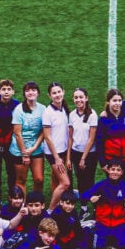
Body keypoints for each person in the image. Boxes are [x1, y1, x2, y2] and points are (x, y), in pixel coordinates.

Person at [10, 81, 46, 191]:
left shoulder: (43, 109)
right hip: (19, 150)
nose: (31, 92)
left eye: (33, 90)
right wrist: (25, 154)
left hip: (36, 148)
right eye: (27, 90)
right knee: (21, 180)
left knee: (39, 179)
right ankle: (22, 206)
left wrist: (34, 147)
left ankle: (36, 204)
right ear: (24, 94)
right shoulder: (18, 110)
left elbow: (44, 131)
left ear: (38, 93)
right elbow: (17, 133)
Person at [41, 82, 71, 210]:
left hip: (63, 150)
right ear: (49, 95)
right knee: (65, 183)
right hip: (54, 153)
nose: (57, 95)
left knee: (56, 179)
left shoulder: (63, 107)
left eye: (59, 92)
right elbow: (47, 137)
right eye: (54, 93)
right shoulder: (48, 113)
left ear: (63, 91)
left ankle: (58, 203)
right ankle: (51, 210)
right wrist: (57, 158)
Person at [67, 87, 98, 198]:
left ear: (86, 98)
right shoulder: (72, 115)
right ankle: (84, 206)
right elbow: (70, 137)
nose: (78, 100)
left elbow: (91, 138)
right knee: (80, 178)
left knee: (89, 178)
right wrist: (68, 157)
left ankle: (93, 202)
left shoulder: (92, 115)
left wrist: (83, 158)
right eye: (76, 97)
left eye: (81, 97)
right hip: (76, 152)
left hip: (90, 154)